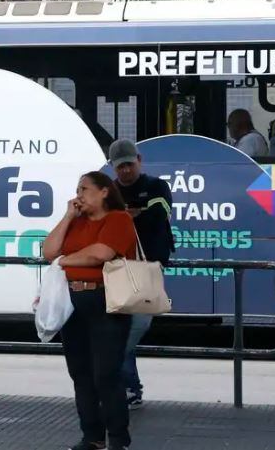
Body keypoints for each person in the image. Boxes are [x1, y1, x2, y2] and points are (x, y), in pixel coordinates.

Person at [43, 171, 137, 450]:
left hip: (105, 301)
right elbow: (49, 251)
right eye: (77, 189)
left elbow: (101, 253)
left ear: (104, 191)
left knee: (106, 374)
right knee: (80, 373)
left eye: (84, 189)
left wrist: (63, 261)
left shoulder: (118, 219)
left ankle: (118, 439)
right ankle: (92, 436)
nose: (79, 195)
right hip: (73, 302)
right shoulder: (77, 221)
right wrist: (68, 217)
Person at [107, 139, 173, 410]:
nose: (125, 171)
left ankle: (123, 384)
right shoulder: (109, 191)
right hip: (117, 269)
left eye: (129, 165)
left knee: (135, 327)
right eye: (120, 166)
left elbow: (160, 213)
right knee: (121, 329)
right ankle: (128, 388)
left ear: (139, 160)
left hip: (147, 269)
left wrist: (129, 215)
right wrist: (134, 214)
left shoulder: (157, 186)